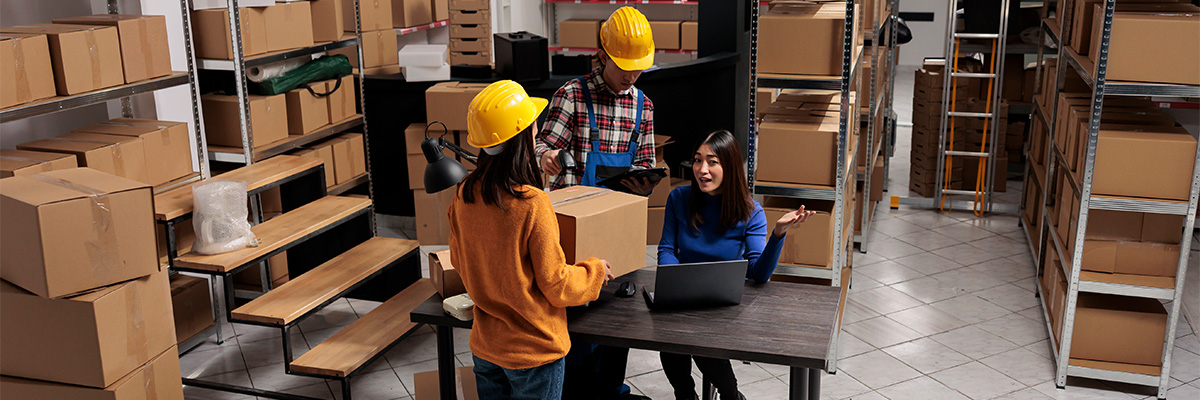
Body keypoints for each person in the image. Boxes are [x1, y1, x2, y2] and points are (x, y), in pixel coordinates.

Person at [448, 80, 615, 400]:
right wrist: (594, 272)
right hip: (533, 353)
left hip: (486, 348)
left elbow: (460, 261)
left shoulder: (464, 194)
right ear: (520, 137)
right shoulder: (530, 203)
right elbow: (556, 284)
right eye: (532, 126)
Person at [656, 130, 816, 400]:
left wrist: (778, 234)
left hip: (723, 305)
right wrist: (674, 281)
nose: (702, 169)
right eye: (697, 160)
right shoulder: (678, 198)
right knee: (670, 339)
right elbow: (667, 249)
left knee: (702, 343)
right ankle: (687, 396)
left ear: (729, 167)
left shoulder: (751, 211)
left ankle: (731, 394)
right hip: (683, 299)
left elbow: (758, 274)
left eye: (712, 162)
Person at [536, 6, 658, 195]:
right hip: (574, 208)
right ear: (603, 57)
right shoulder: (572, 96)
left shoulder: (644, 106)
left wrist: (646, 185)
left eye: (637, 68)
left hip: (620, 207)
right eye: (623, 67)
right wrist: (546, 157)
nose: (631, 77)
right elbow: (542, 147)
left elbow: (646, 163)